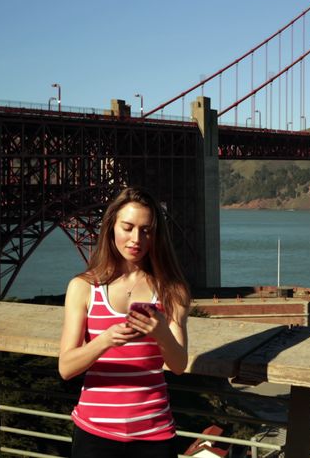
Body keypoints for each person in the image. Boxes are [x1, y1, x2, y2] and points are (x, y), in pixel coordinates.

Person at [59, 186, 191, 457]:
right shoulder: (83, 288)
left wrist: (162, 333)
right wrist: (105, 340)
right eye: (128, 227)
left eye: (146, 230)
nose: (136, 239)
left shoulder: (172, 290)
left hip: (154, 435)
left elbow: (178, 365)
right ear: (111, 228)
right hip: (94, 433)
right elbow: (66, 367)